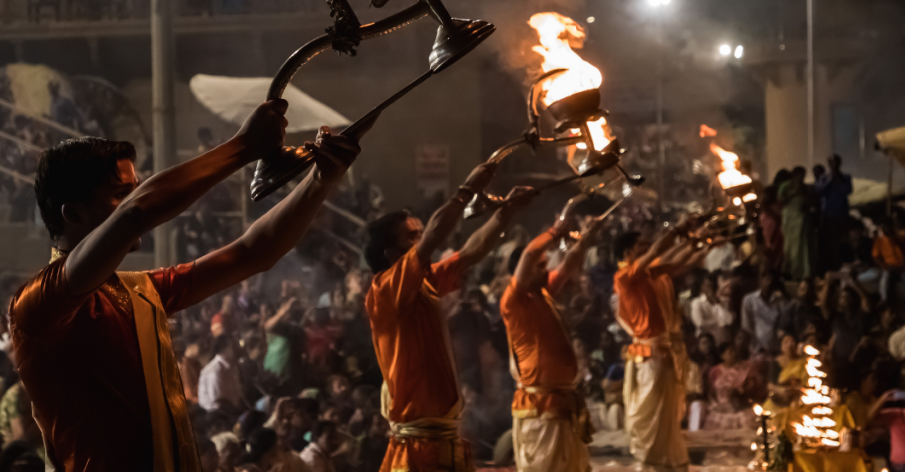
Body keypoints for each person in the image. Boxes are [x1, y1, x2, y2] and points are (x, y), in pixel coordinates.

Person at [8, 100, 370, 471]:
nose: (134, 200)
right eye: (121, 193)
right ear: (74, 213)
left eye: (135, 190)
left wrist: (322, 178)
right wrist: (242, 146)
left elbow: (252, 252)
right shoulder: (38, 305)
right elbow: (137, 213)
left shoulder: (140, 292)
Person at [363, 161, 536, 472]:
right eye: (411, 237)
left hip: (442, 438)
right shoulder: (385, 290)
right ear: (392, 256)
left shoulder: (425, 280)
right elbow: (434, 235)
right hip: (419, 445)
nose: (422, 240)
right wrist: (467, 189)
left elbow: (470, 253)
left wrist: (505, 212)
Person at [501, 205, 607, 472]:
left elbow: (570, 263)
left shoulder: (543, 292)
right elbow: (528, 254)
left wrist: (586, 237)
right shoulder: (513, 301)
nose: (546, 267)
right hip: (540, 407)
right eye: (539, 266)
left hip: (561, 402)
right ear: (521, 274)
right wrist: (554, 231)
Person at [613, 219, 706, 472]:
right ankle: (651, 465)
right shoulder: (625, 277)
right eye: (641, 245)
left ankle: (668, 465)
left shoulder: (650, 273)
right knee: (652, 416)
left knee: (667, 416)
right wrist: (678, 231)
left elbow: (678, 261)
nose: (648, 248)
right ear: (629, 254)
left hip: (664, 352)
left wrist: (698, 242)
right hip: (650, 355)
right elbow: (658, 252)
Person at [818, 154, 853, 269]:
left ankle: (843, 264)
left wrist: (837, 180)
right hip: (828, 215)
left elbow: (848, 190)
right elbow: (820, 191)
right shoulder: (824, 178)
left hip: (841, 215)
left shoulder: (845, 177)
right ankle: (831, 266)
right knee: (829, 243)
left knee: (842, 242)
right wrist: (830, 180)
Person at [780, 166, 813, 279]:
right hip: (789, 218)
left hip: (800, 217)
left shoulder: (806, 188)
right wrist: (794, 192)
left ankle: (802, 272)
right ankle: (790, 270)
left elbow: (809, 202)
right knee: (789, 245)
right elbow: (781, 201)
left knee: (801, 246)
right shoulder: (785, 186)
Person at [740, 270, 784, 354]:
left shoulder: (779, 301)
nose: (769, 283)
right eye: (767, 279)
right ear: (761, 280)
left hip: (774, 348)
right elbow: (746, 326)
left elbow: (780, 325)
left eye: (772, 280)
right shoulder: (749, 300)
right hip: (756, 348)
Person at [198, 334, 245, 412]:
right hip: (218, 415)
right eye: (233, 346)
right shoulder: (215, 371)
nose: (237, 349)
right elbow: (220, 403)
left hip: (232, 409)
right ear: (224, 350)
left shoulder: (232, 366)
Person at [690, 271, 734, 345]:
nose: (711, 289)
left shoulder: (723, 301)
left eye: (714, 286)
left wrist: (718, 304)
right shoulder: (697, 303)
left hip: (724, 342)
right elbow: (700, 323)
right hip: (709, 344)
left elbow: (730, 320)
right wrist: (719, 322)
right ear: (702, 287)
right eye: (708, 286)